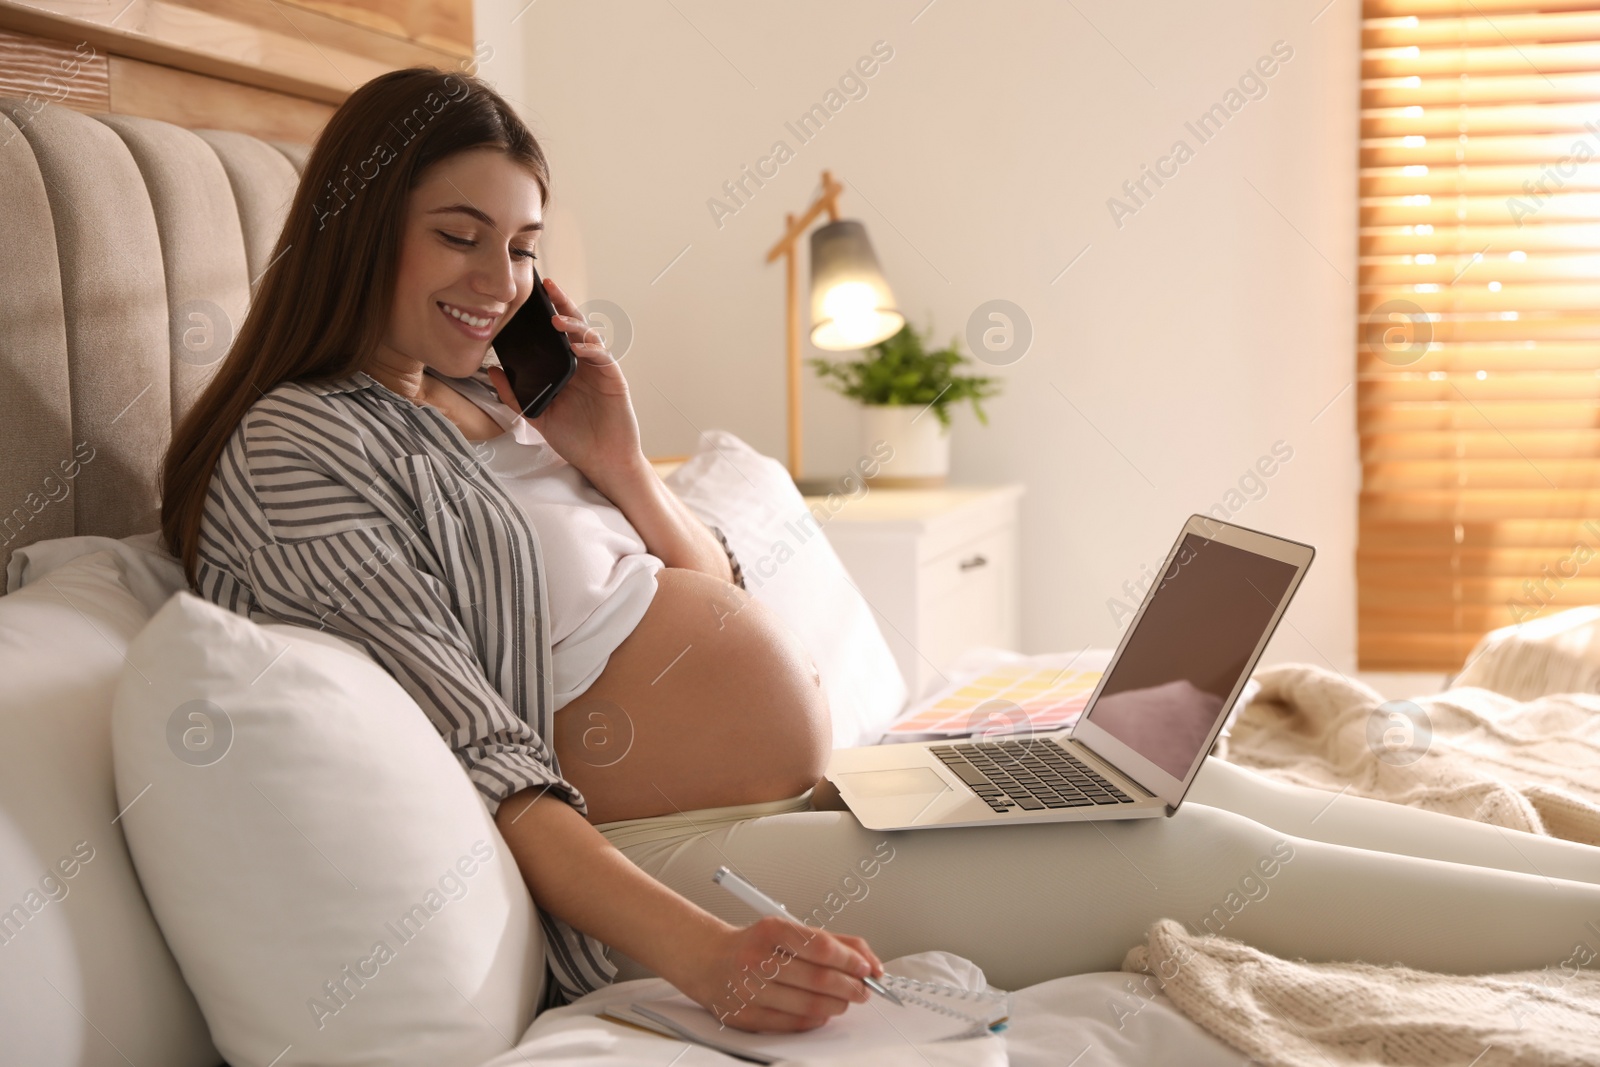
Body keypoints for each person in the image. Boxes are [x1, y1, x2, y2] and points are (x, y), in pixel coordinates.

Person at [160, 67, 1600, 1036]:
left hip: (818, 788)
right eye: (457, 236)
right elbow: (491, 757)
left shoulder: (490, 413)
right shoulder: (302, 452)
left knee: (1185, 764)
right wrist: (701, 954)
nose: (503, 285)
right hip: (672, 864)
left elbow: (694, 604)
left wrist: (612, 457)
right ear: (356, 233)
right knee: (1193, 849)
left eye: (525, 246)